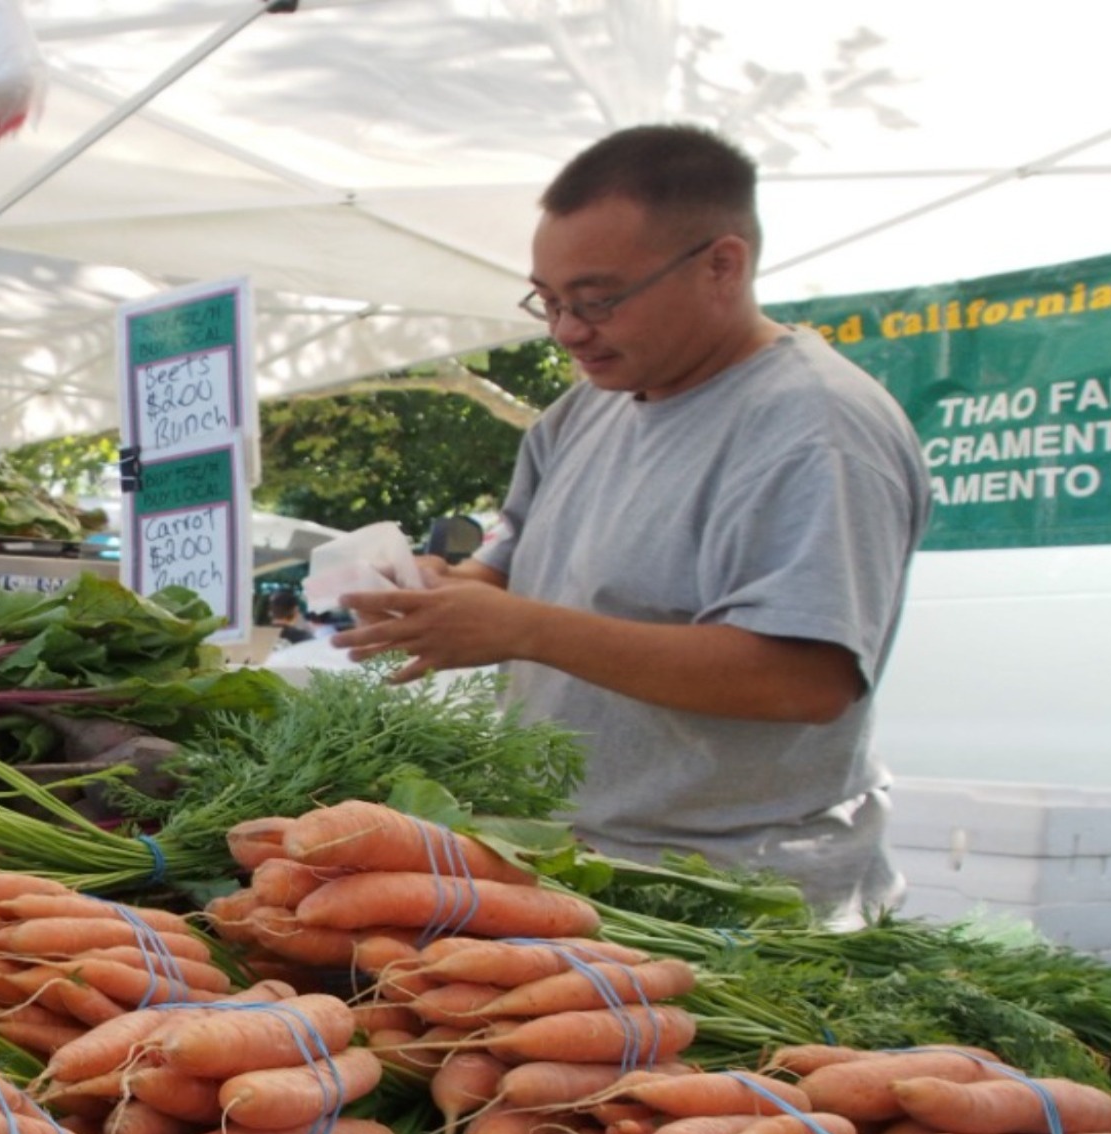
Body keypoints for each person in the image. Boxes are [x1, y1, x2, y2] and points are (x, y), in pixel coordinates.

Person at [332, 123, 932, 924]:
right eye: (548, 302)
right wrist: (447, 594)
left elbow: (803, 679)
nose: (568, 331)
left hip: (726, 898)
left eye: (598, 300)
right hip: (559, 863)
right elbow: (511, 556)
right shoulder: (584, 411)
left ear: (723, 264)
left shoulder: (814, 429)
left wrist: (520, 629)